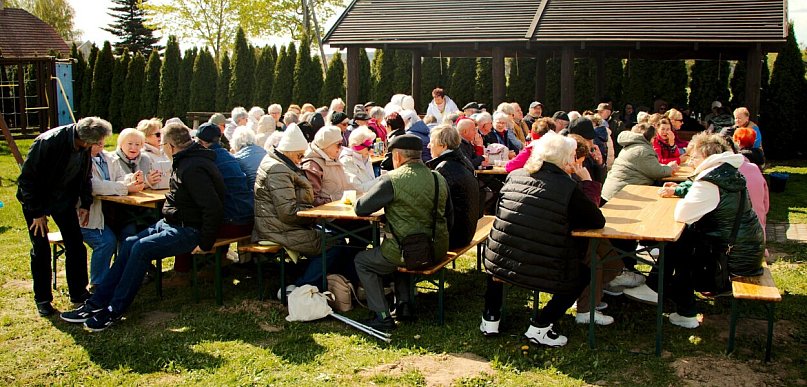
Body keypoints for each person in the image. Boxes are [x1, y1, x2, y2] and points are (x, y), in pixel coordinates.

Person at [60, 122, 226, 330]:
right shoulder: (186, 160)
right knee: (130, 242)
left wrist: (205, 242)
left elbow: (213, 207)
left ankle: (115, 309)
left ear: (170, 146)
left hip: (190, 229)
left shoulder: (193, 167)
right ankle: (96, 303)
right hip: (171, 222)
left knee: (141, 248)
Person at [479, 134, 605, 346]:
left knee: (502, 256)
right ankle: (541, 326)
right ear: (566, 160)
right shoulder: (568, 187)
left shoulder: (515, 175)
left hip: (500, 261)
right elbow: (596, 220)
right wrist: (587, 183)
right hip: (544, 268)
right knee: (583, 273)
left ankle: (490, 318)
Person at [630, 133, 764, 328]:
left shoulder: (710, 181)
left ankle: (676, 304)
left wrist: (684, 195)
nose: (691, 161)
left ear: (708, 155)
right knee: (682, 241)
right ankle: (660, 291)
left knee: (681, 246)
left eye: (694, 157)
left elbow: (682, 214)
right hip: (745, 248)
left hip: (732, 258)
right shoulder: (727, 171)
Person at [354, 134, 452, 331]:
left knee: (363, 261)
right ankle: (404, 305)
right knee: (405, 244)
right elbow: (449, 214)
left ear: (397, 156)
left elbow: (361, 208)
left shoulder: (392, 179)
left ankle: (382, 315)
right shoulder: (438, 177)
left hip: (406, 252)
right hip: (437, 248)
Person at [18, 117, 111, 316]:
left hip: (64, 200)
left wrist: (85, 203)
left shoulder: (84, 147)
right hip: (37, 199)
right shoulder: (48, 142)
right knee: (40, 247)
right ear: (85, 140)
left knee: (76, 244)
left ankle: (78, 292)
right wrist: (37, 213)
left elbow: (85, 176)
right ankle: (42, 299)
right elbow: (27, 179)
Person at [253, 125, 350, 295]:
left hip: (279, 224)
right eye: (299, 154)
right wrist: (313, 217)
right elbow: (288, 212)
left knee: (336, 238)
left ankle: (320, 283)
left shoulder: (280, 164)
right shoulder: (278, 169)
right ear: (290, 151)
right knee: (334, 243)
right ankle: (302, 288)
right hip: (278, 228)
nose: (302, 158)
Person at [82, 135, 145, 292]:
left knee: (130, 235)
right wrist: (125, 188)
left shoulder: (108, 158)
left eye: (102, 139)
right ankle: (98, 284)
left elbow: (120, 178)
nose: (100, 142)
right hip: (88, 217)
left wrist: (132, 178)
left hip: (113, 214)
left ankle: (123, 276)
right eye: (97, 139)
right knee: (106, 241)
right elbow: (95, 187)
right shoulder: (81, 161)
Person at [426, 125, 480, 249]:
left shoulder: (443, 168)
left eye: (432, 142)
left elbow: (437, 205)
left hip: (455, 236)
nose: (429, 146)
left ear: (444, 145)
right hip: (467, 230)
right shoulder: (463, 160)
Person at [603, 123, 678, 201]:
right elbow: (657, 172)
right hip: (621, 194)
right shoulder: (642, 150)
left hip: (616, 191)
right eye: (654, 138)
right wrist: (670, 168)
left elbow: (650, 165)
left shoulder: (633, 145)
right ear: (650, 138)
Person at [301, 126, 352, 206]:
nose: (341, 148)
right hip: (328, 215)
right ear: (327, 145)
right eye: (338, 144)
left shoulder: (333, 158)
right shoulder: (313, 165)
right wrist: (335, 199)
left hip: (342, 211)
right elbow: (312, 200)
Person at [340, 126, 378, 194]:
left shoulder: (365, 157)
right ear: (357, 146)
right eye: (369, 147)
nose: (371, 150)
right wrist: (381, 180)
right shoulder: (346, 161)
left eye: (372, 146)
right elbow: (358, 189)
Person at [137, 118, 171, 189]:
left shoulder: (165, 152)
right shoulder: (143, 156)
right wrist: (147, 181)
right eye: (158, 134)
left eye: (162, 134)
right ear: (145, 137)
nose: (161, 137)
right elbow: (138, 181)